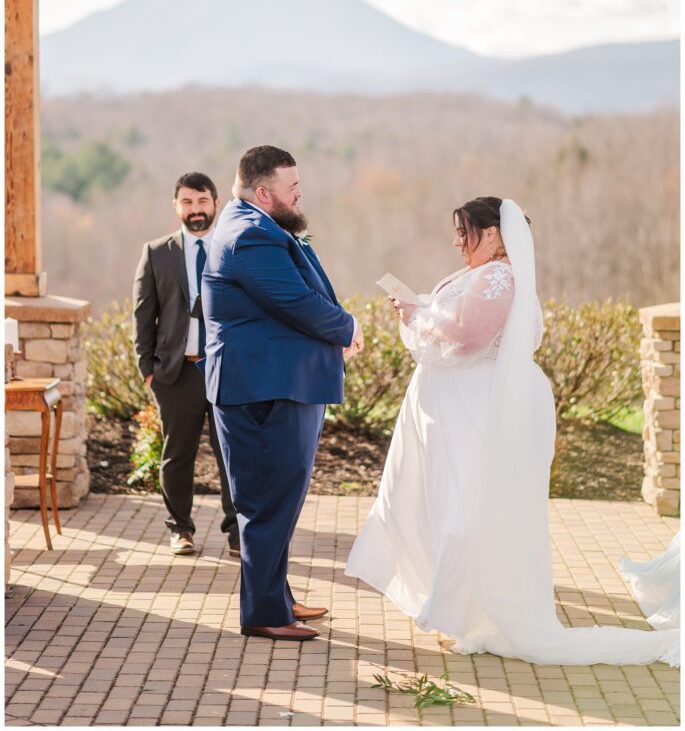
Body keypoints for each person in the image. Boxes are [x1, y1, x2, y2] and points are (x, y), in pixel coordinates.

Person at [346, 196, 679, 666]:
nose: (457, 241)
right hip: (454, 407)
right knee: (444, 502)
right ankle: (457, 607)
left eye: (465, 232)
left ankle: (476, 610)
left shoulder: (500, 275)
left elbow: (469, 335)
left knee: (468, 506)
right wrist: (420, 309)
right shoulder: (478, 273)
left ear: (496, 234)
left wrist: (418, 315)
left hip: (476, 409)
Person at [202, 146, 363, 642]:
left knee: (277, 499)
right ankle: (265, 613)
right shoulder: (250, 234)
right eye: (292, 189)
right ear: (264, 193)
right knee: (269, 502)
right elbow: (293, 300)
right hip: (264, 386)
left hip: (272, 382)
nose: (300, 195)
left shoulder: (254, 224)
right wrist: (347, 327)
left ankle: (278, 597)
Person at [133, 173, 239, 557]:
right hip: (177, 373)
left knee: (231, 453)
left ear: (215, 202)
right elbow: (143, 316)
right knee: (178, 455)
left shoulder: (231, 247)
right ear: (176, 206)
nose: (195, 210)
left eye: (202, 201)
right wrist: (148, 370)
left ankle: (236, 533)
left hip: (226, 368)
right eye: (187, 203)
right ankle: (180, 529)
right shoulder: (156, 252)